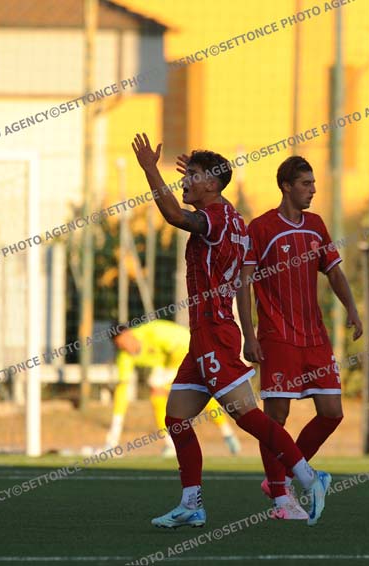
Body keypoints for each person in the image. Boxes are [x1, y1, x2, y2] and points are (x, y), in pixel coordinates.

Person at [130, 133, 331, 528]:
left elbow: (175, 216)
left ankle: (309, 477)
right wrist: (201, 173)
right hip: (205, 334)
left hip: (215, 331)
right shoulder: (231, 217)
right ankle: (192, 503)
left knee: (247, 416)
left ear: (212, 184)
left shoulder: (217, 217)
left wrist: (151, 170)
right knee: (177, 417)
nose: (185, 182)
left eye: (193, 176)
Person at [238, 155, 363, 520]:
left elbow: (334, 272)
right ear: (286, 186)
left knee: (332, 412)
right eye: (306, 184)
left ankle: (287, 474)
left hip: (315, 337)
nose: (313, 190)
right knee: (275, 417)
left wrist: (352, 308)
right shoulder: (261, 228)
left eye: (313, 183)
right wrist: (249, 335)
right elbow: (244, 283)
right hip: (277, 337)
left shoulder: (316, 225)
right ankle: (280, 495)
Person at [106, 318, 242, 456]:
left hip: (191, 349)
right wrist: (114, 431)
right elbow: (122, 390)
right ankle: (171, 443)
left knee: (198, 390)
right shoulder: (124, 356)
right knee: (157, 395)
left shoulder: (153, 331)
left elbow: (180, 349)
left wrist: (168, 377)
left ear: (129, 333)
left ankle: (227, 432)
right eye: (120, 346)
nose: (125, 348)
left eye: (124, 342)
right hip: (169, 363)